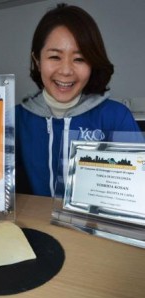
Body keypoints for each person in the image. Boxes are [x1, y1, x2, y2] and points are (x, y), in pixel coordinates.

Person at [15, 3, 141, 197]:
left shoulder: (116, 117)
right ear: (37, 61)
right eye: (55, 57)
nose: (66, 70)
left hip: (93, 225)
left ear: (93, 63)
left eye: (79, 59)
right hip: (32, 224)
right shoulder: (13, 120)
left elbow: (138, 190)